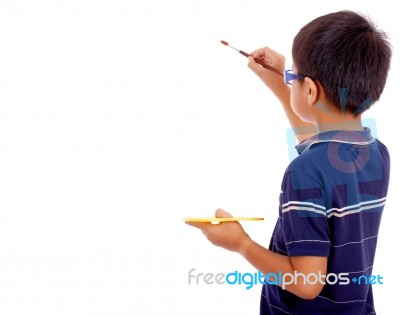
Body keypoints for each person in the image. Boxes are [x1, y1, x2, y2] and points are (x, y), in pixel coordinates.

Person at [186, 10, 392, 314]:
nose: (289, 80)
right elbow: (320, 144)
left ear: (309, 90)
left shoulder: (304, 172)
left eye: (292, 77)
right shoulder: (376, 151)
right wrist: (278, 82)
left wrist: (241, 243)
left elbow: (306, 283)